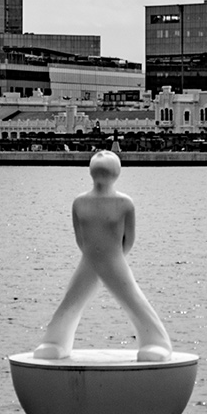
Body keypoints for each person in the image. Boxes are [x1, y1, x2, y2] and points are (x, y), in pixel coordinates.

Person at [34, 149, 173, 363]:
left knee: (134, 300)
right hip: (90, 259)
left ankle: (157, 343)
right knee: (71, 300)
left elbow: (129, 239)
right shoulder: (79, 203)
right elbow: (80, 238)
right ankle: (56, 343)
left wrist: (113, 260)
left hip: (113, 259)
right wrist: (95, 259)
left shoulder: (125, 203)